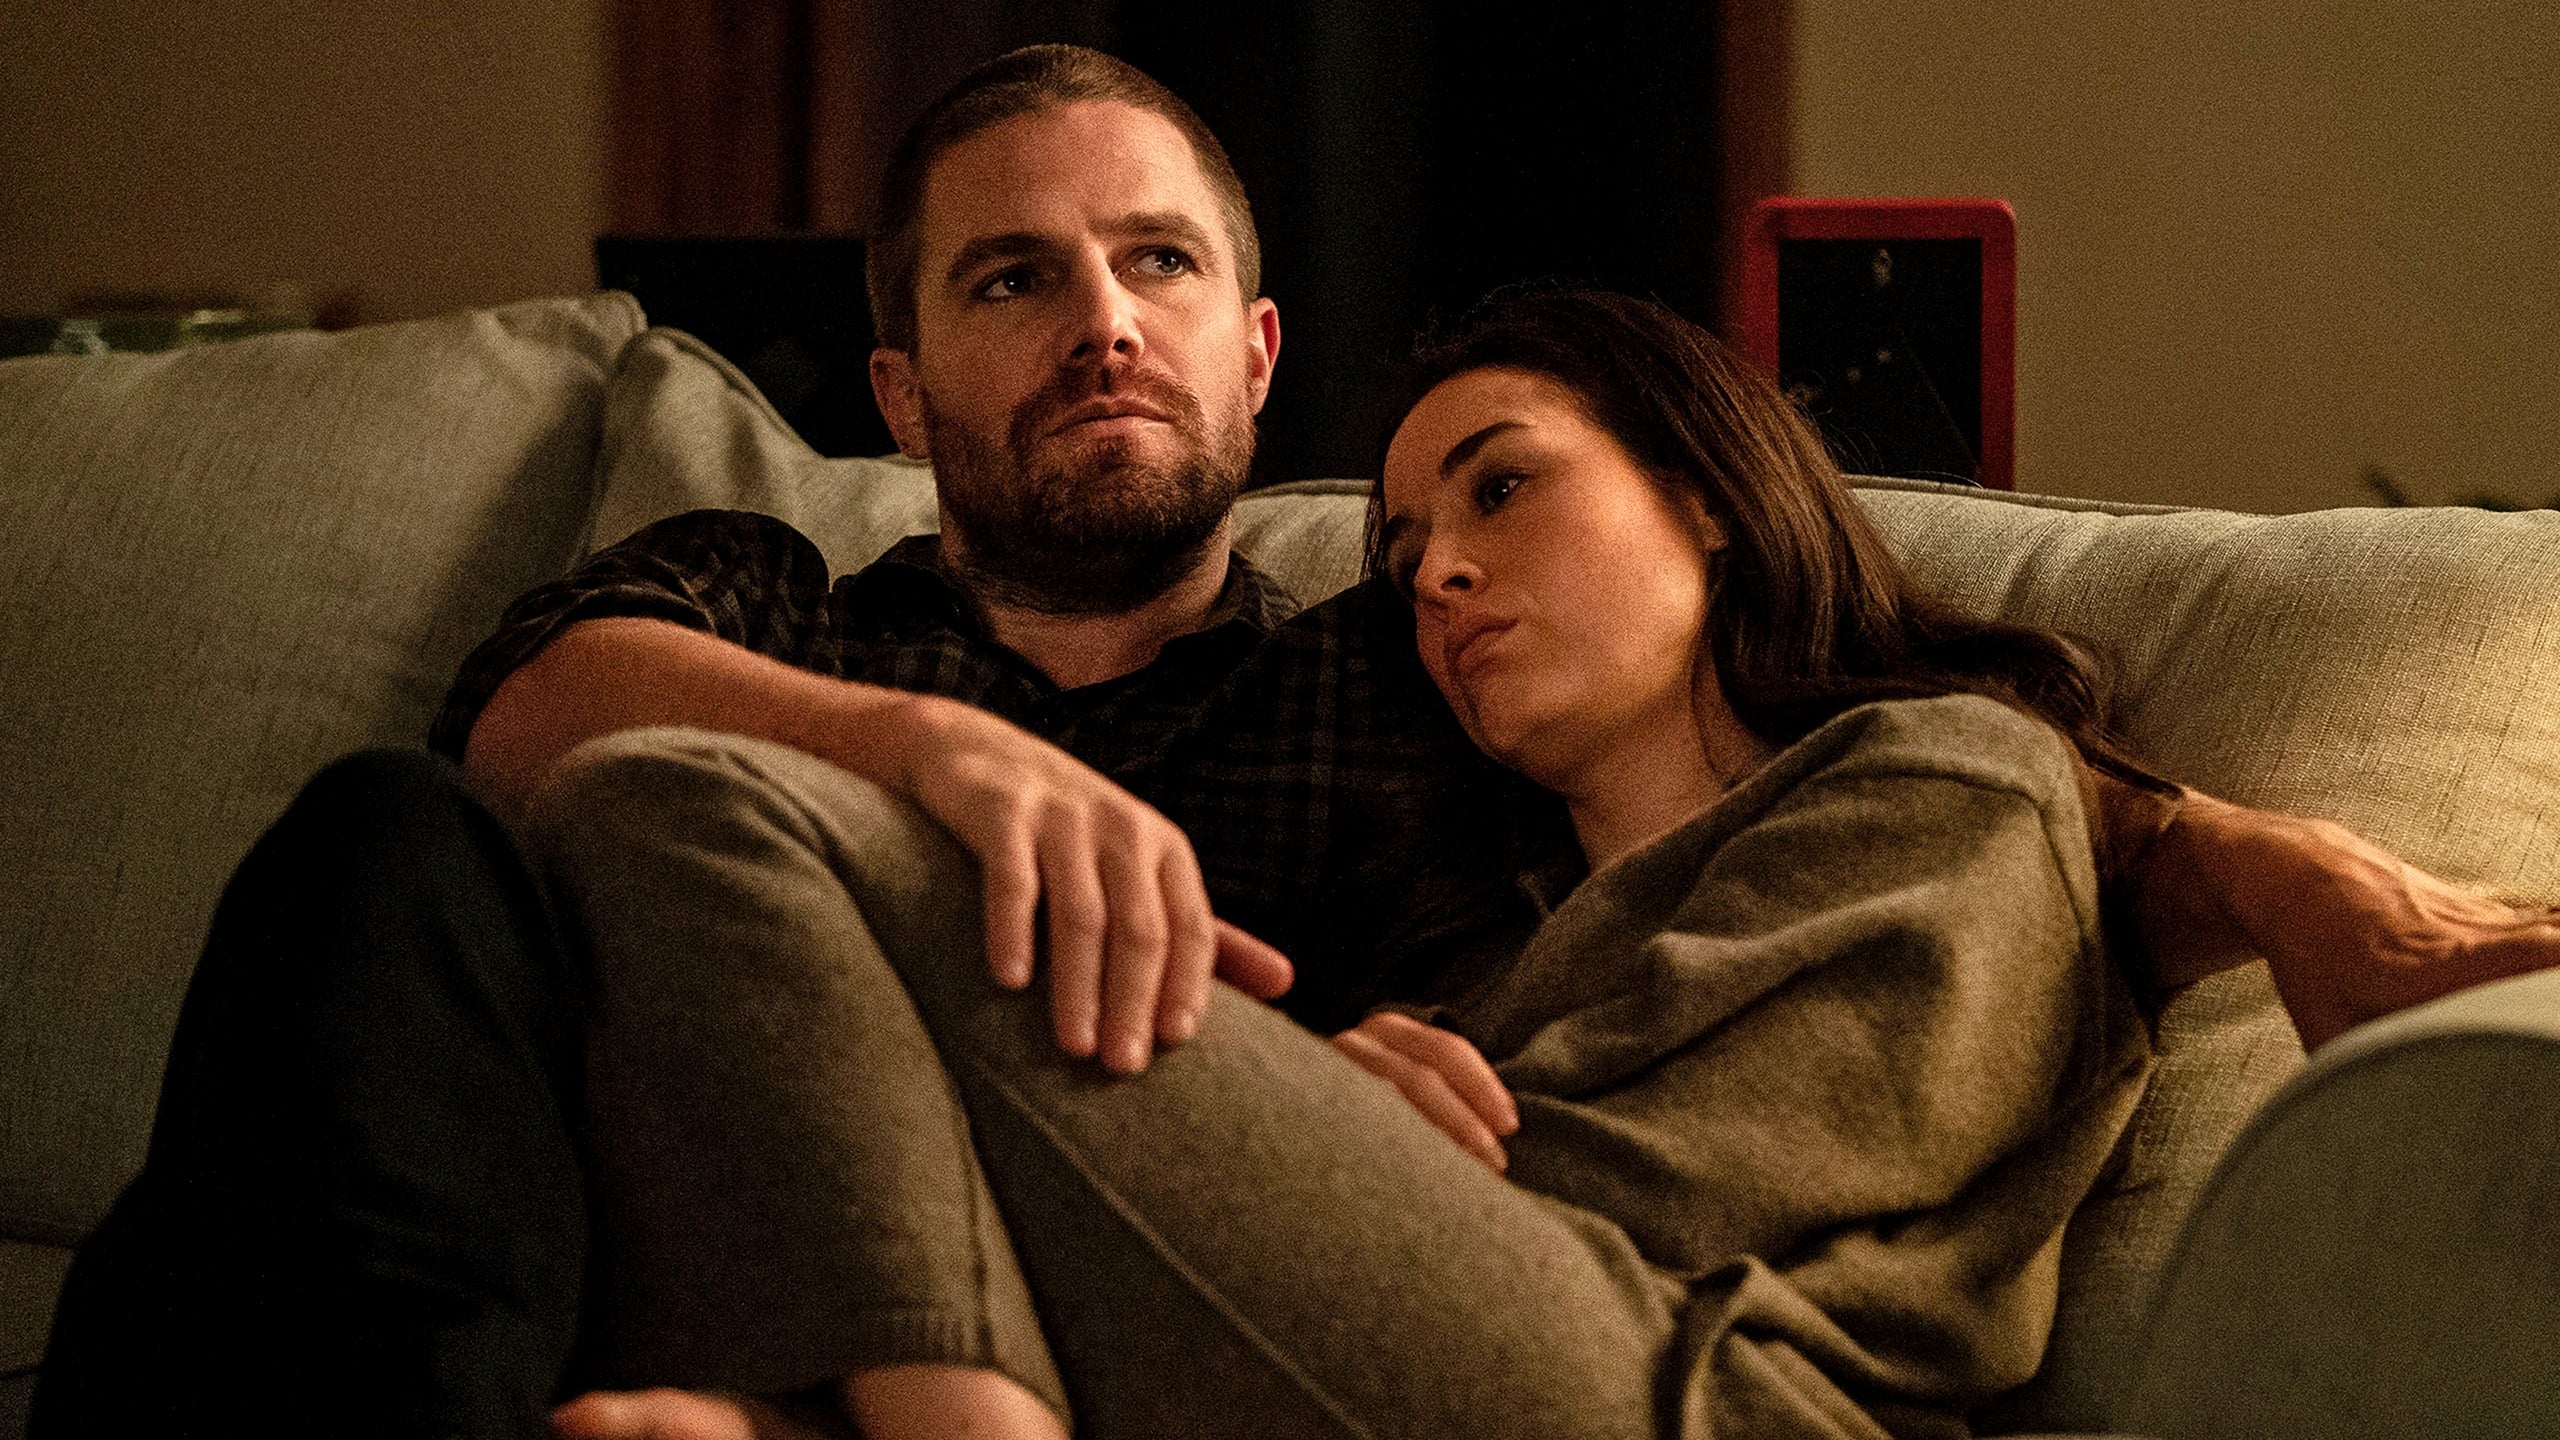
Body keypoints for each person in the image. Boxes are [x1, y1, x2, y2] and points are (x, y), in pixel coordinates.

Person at [32, 42, 2553, 1440]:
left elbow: (1928, 817)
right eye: (1014, 281)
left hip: (1510, 1337)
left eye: (1155, 263)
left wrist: (2271, 867)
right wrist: (937, 762)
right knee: (432, 835)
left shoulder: (1392, 699)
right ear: (902, 389)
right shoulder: (789, 600)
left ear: (1250, 362)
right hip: (732, 1210)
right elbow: (541, 715)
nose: (1098, 321)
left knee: (697, 818)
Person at [512, 286, 2560, 1440]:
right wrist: (1333, 1092)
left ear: (1708, 494)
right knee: (652, 846)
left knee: (701, 799)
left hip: (1680, 1396)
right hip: (1428, 1348)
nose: (1439, 574)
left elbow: (1641, 1204)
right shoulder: (1469, 918)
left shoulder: (1954, 779)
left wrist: (1310, 1116)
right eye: (1407, 547)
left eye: (1501, 491)